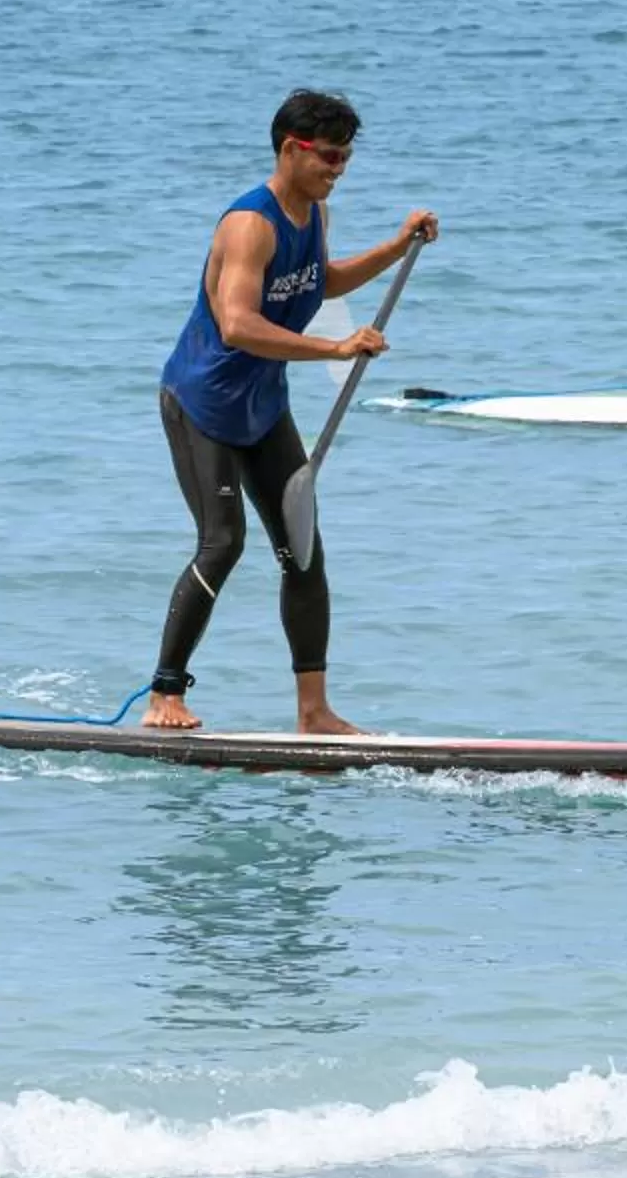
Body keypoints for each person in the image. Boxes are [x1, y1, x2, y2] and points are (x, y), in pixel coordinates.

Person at [150, 89, 436, 733]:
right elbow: (237, 324)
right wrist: (335, 346)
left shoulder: (313, 216)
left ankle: (314, 711)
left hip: (261, 405)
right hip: (202, 402)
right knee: (223, 543)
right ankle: (164, 695)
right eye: (330, 157)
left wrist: (396, 247)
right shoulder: (249, 224)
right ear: (291, 149)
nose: (339, 169)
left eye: (347, 159)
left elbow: (321, 280)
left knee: (302, 553)